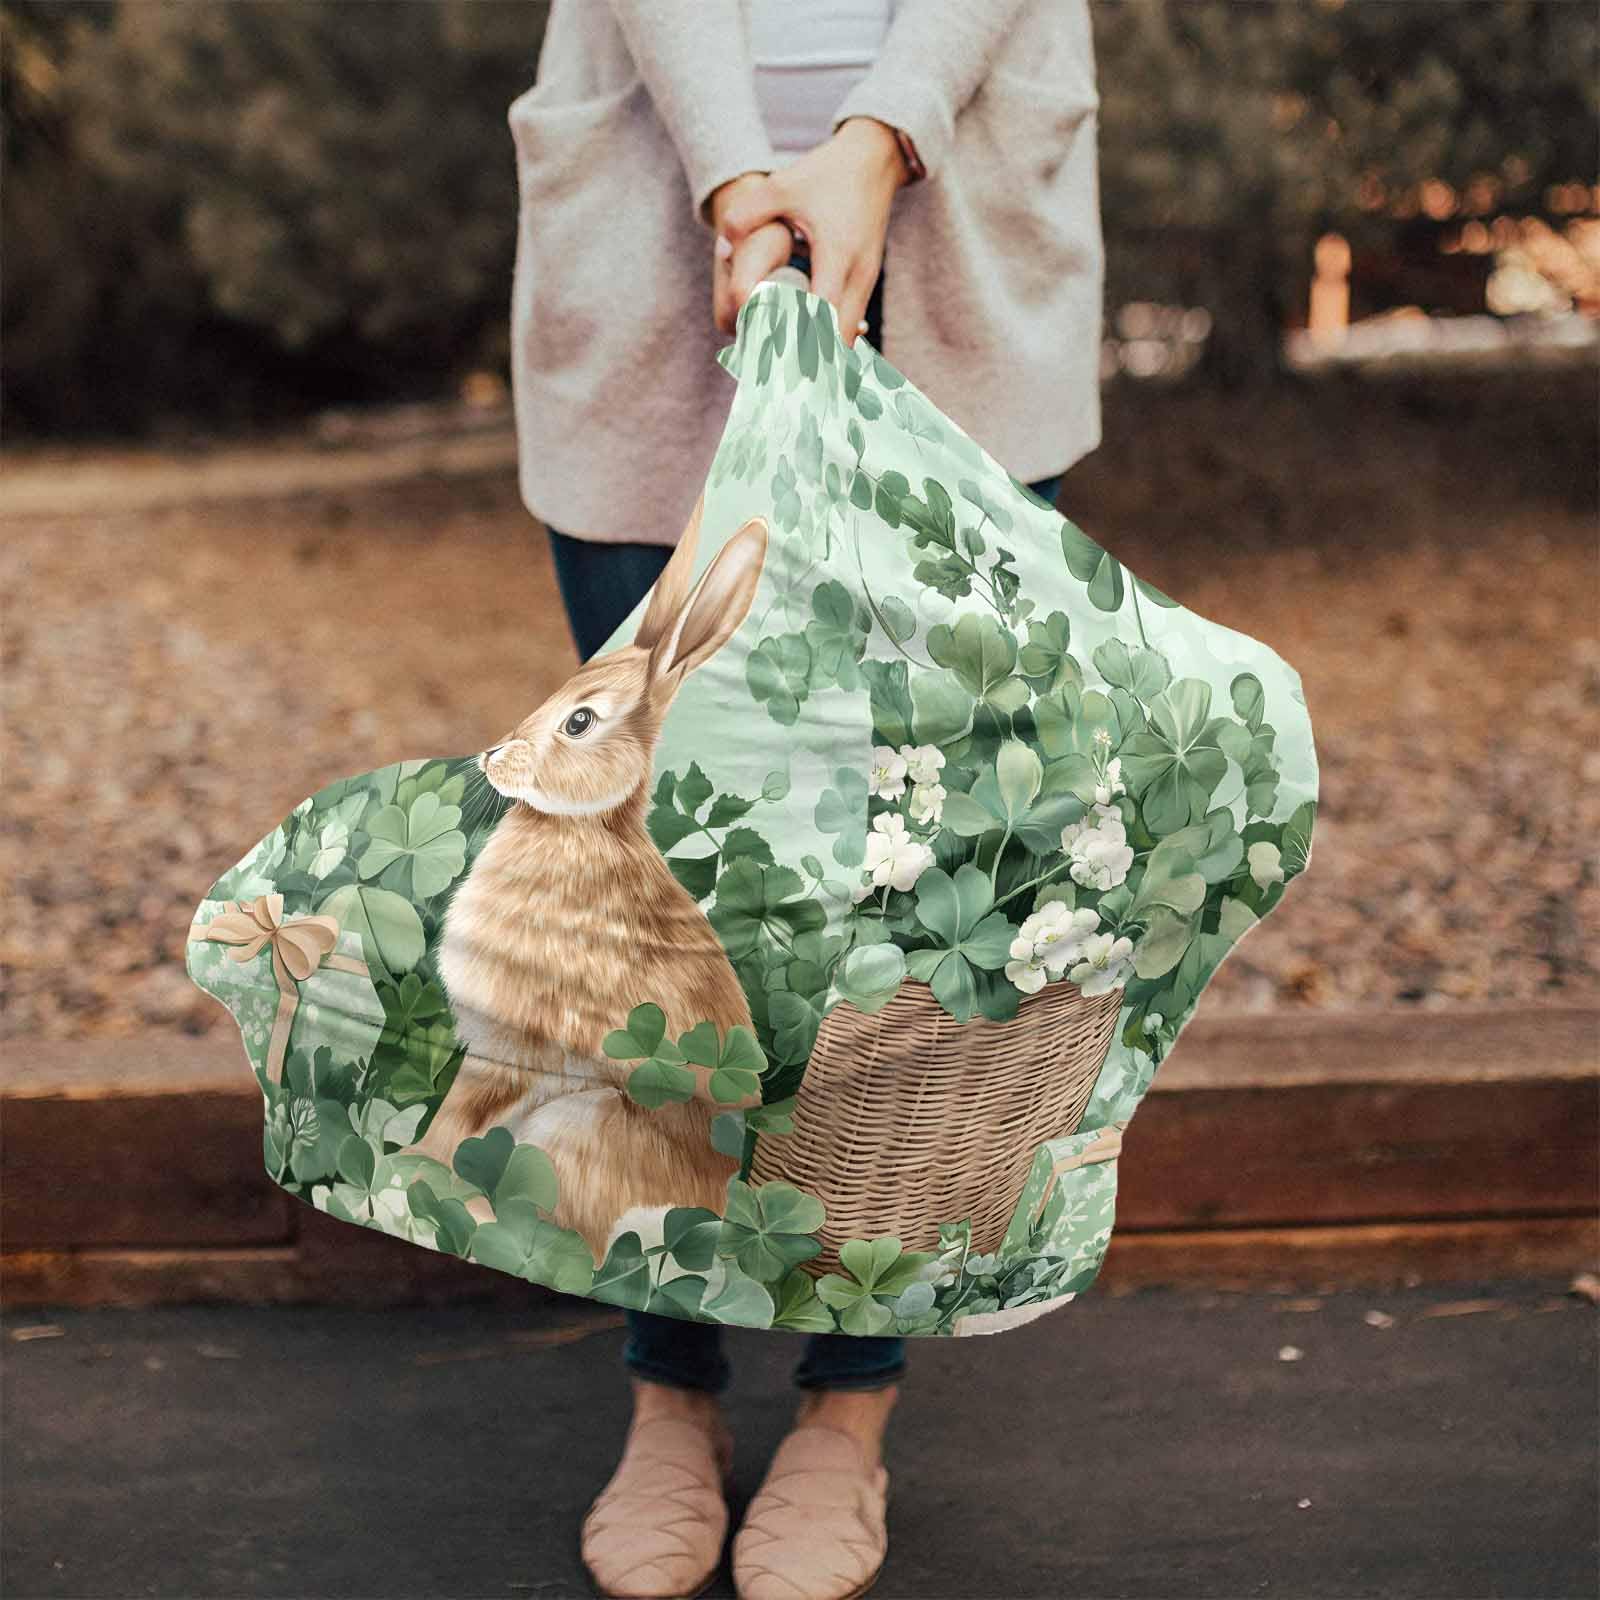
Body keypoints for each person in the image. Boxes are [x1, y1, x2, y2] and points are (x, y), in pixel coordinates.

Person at [506, 4, 1103, 1595]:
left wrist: (877, 137)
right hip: (658, 216)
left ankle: (849, 1407)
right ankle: (671, 1388)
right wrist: (734, 177)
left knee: (910, 884)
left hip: (959, 221)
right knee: (666, 876)